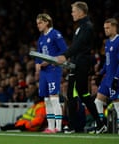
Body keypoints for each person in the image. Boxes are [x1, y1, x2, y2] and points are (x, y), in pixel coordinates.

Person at [56, 1, 106, 133]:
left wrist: (66, 56)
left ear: (80, 12)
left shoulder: (86, 27)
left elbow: (78, 45)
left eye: (73, 11)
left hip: (81, 64)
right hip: (77, 63)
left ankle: (73, 126)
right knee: (82, 94)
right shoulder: (81, 26)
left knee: (73, 94)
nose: (72, 13)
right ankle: (100, 124)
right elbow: (77, 46)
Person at [35, 13, 67, 133]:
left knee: (54, 98)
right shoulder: (41, 38)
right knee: (46, 99)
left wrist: (49, 61)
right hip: (44, 72)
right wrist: (37, 63)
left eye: (40, 23)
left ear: (47, 22)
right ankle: (50, 126)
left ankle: (58, 127)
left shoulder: (55, 34)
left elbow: (64, 50)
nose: (38, 25)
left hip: (53, 69)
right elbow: (38, 54)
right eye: (37, 23)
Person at [94, 18, 119, 132]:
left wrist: (116, 77)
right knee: (97, 101)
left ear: (114, 27)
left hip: (115, 77)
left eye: (108, 28)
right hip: (107, 77)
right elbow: (107, 61)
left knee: (116, 103)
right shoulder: (108, 42)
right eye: (104, 28)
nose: (106, 30)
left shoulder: (118, 41)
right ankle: (101, 126)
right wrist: (100, 73)